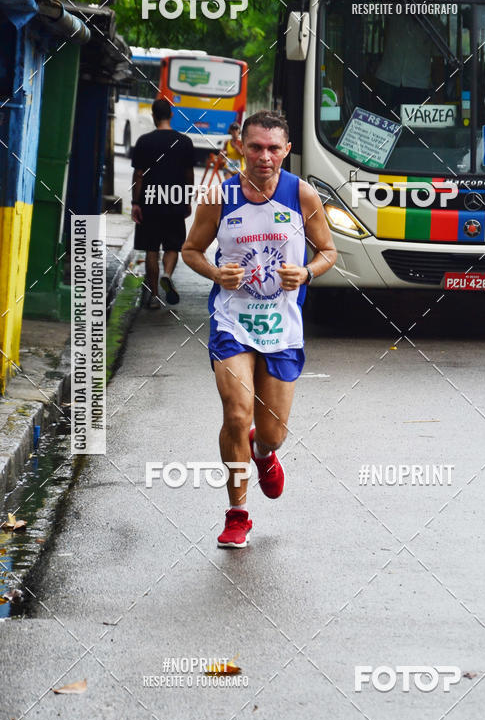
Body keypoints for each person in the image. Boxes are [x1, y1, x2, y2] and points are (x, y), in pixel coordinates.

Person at [182, 109, 337, 547]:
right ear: (240, 148)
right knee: (235, 413)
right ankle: (237, 514)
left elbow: (328, 251)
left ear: (287, 150)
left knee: (273, 432)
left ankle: (263, 450)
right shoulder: (220, 197)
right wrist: (216, 273)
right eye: (255, 147)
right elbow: (191, 250)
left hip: (282, 329)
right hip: (232, 323)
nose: (264, 157)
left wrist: (306, 273)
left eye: (273, 148)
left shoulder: (302, 196)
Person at [131, 98, 194, 309]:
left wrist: (135, 203)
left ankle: (155, 296)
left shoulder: (144, 141)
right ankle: (167, 274)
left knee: (151, 248)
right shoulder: (184, 142)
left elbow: (138, 174)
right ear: (171, 115)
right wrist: (186, 199)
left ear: (153, 115)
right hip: (175, 199)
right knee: (172, 245)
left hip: (149, 201)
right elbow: (189, 174)